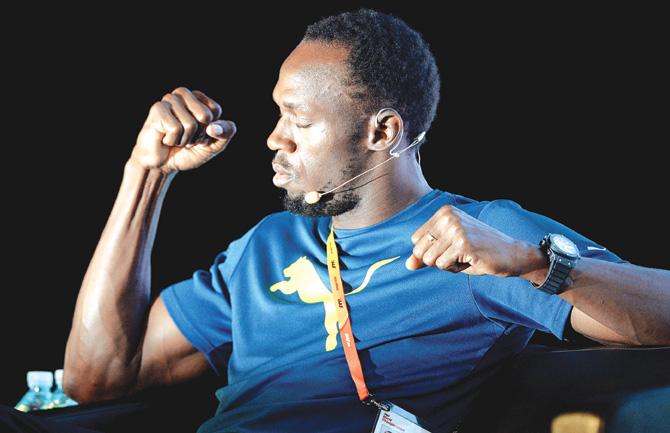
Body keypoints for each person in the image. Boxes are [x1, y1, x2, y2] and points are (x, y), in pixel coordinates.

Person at [2, 8, 669, 433]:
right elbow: (96, 379)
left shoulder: (483, 238)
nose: (273, 139)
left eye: (298, 119)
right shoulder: (265, 246)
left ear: (382, 131)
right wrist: (144, 173)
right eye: (276, 114)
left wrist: (535, 261)